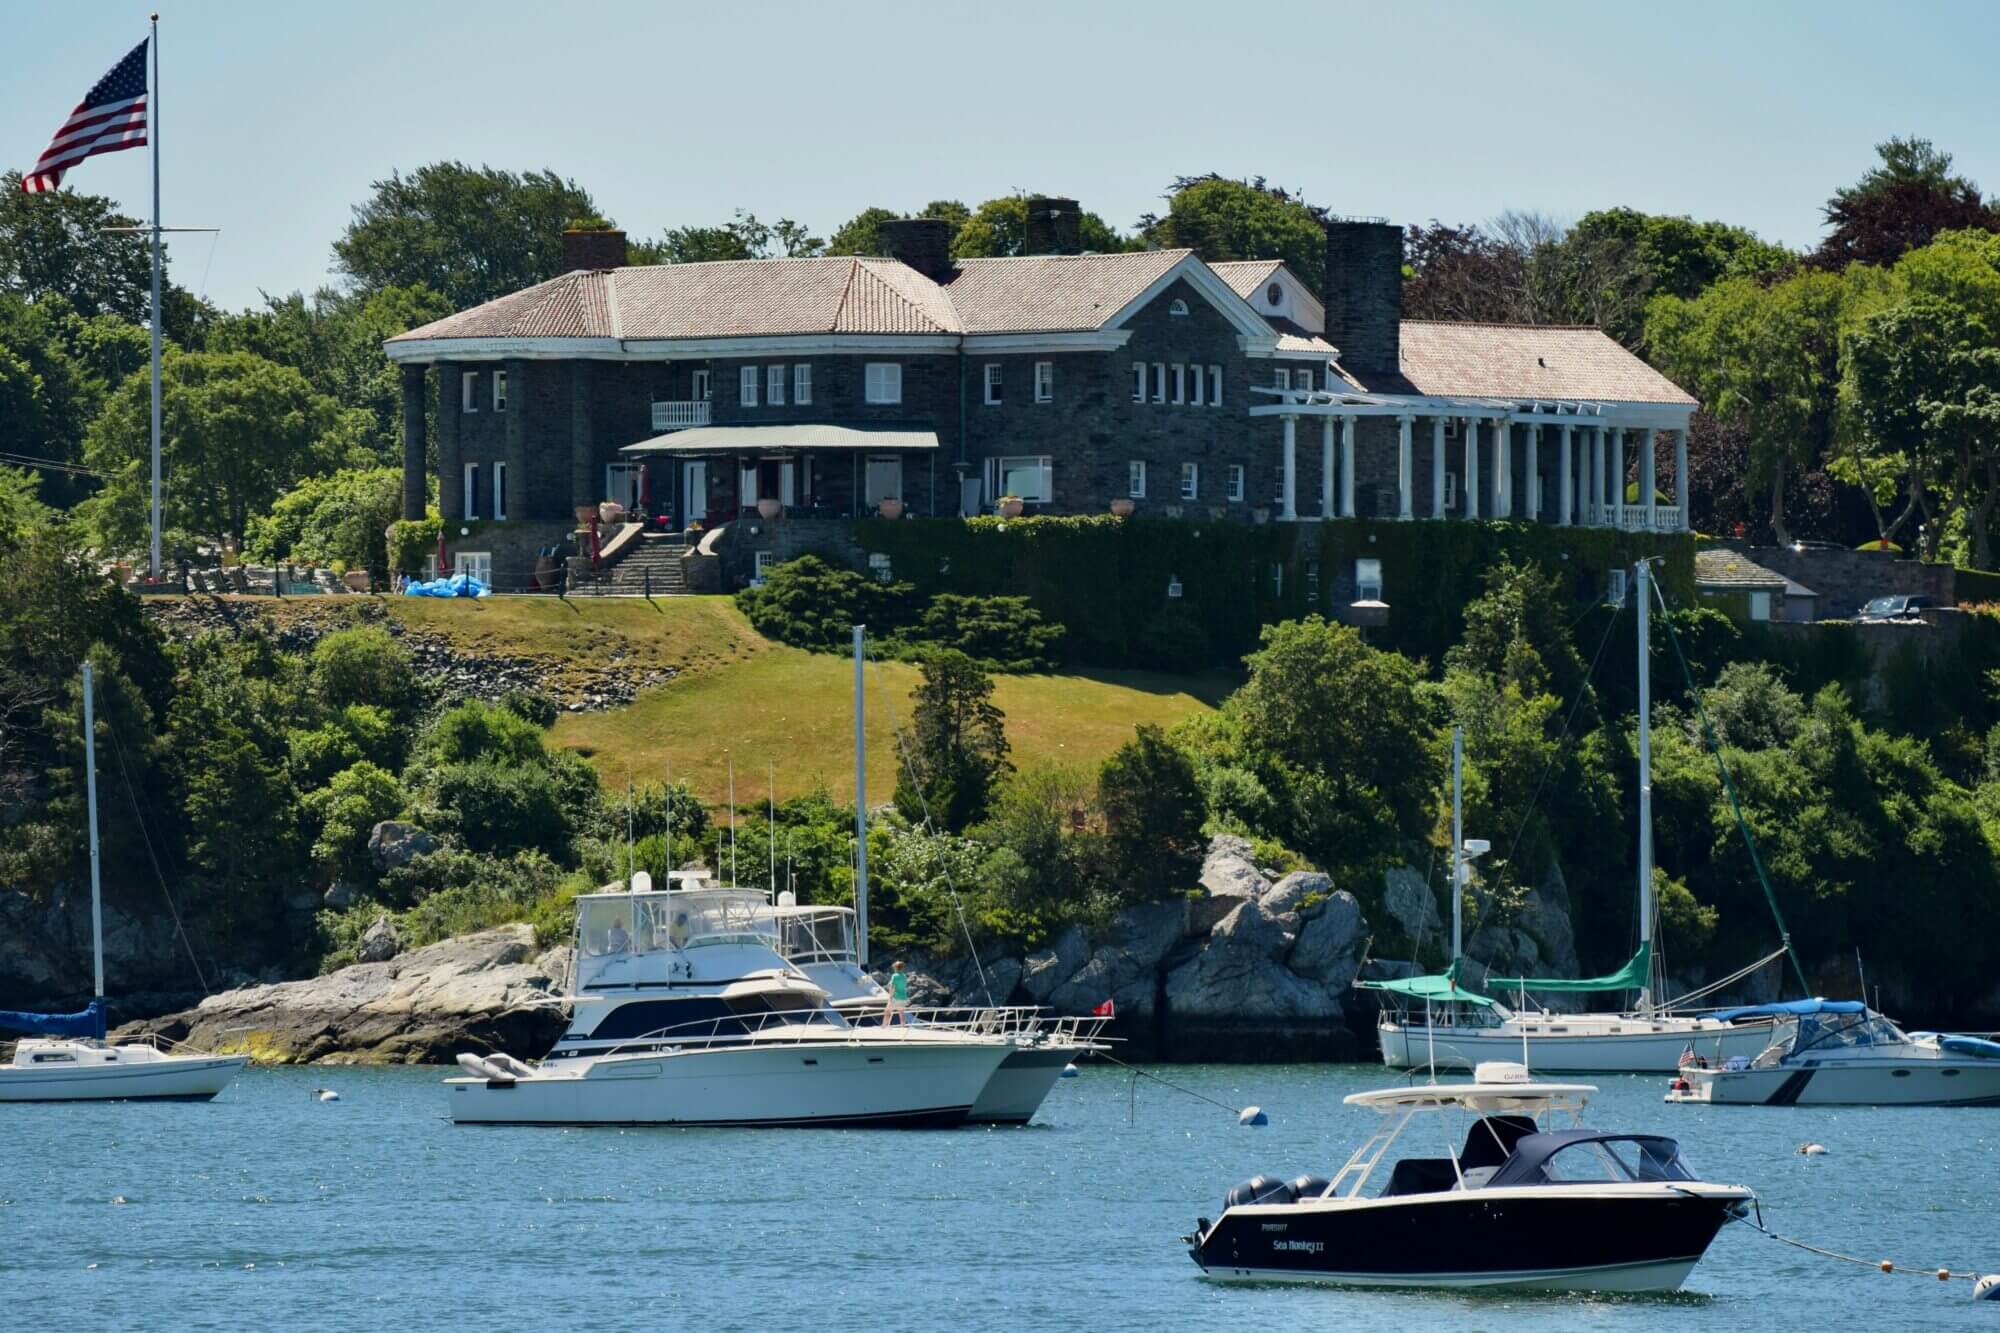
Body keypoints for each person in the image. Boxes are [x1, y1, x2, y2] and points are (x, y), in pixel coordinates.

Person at [885, 960, 909, 1026]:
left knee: (888, 1012)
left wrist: (890, 997)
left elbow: (892, 987)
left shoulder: (894, 976)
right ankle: (903, 1026)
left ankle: (885, 1026)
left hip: (895, 997)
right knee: (901, 1013)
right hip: (903, 997)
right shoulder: (904, 976)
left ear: (895, 968)